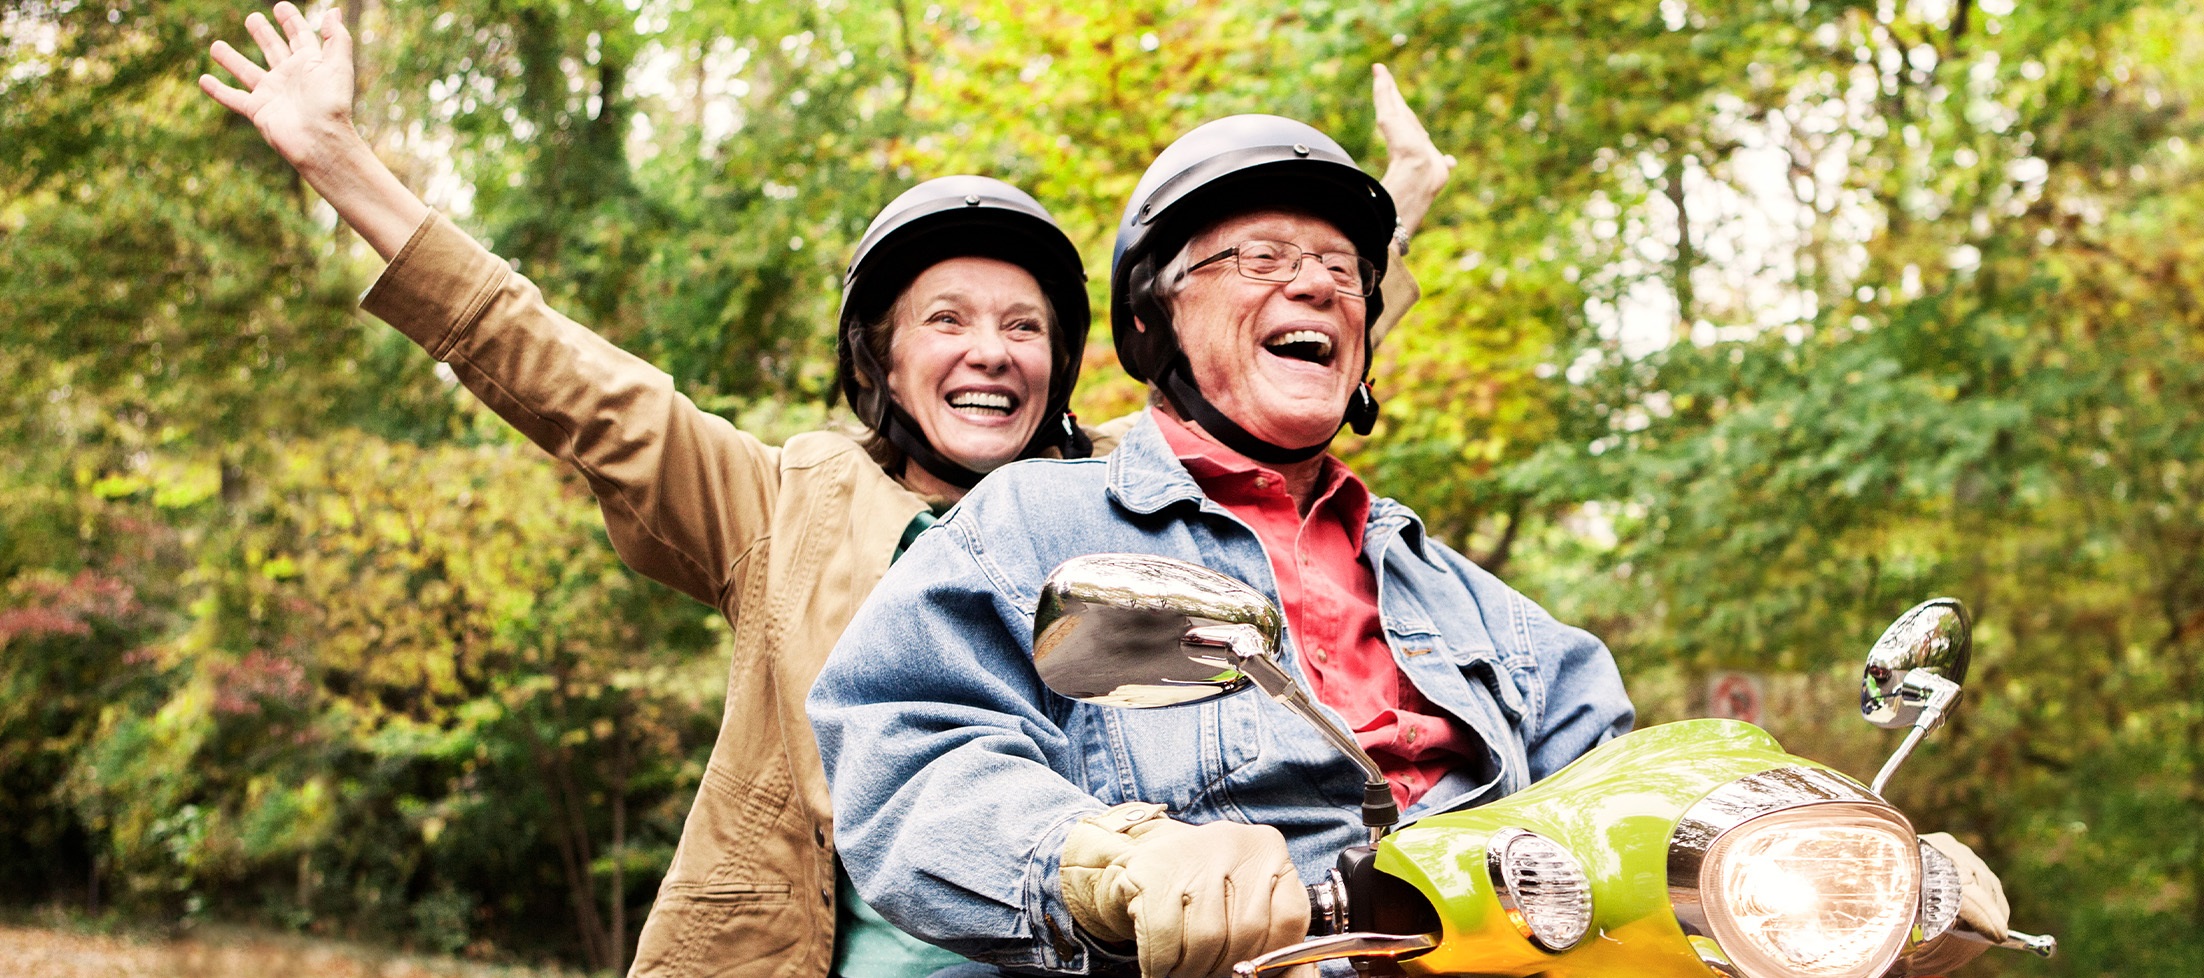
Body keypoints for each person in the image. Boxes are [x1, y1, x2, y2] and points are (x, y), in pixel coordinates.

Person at [198, 7, 1458, 978]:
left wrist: (1377, 229)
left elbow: (1261, 373)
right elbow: (551, 366)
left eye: (1023, 325)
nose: (991, 351)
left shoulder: (1122, 511)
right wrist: (337, 158)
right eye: (947, 320)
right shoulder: (776, 505)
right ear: (882, 358)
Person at [806, 113, 2013, 978]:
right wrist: (1102, 859)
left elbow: (1631, 795)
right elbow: (908, 755)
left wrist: (1846, 862)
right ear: (1151, 319)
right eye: (1263, 260)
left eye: (1340, 270)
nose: (1318, 288)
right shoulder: (1033, 521)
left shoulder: (1491, 614)